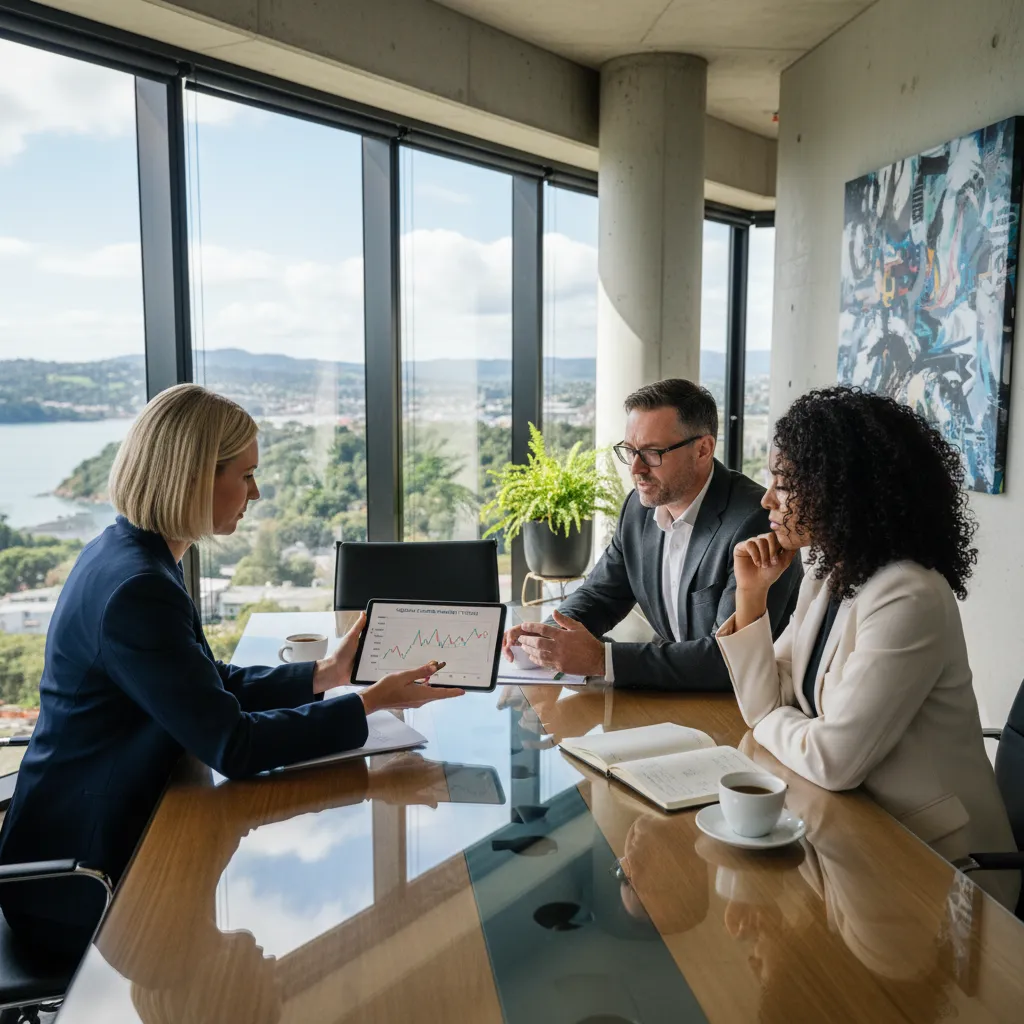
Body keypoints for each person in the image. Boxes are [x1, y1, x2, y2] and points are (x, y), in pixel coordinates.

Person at [0, 384, 463, 959]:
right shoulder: (138, 587)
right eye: (244, 476)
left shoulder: (130, 555)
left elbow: (205, 685)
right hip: (80, 878)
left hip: (102, 828)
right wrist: (367, 706)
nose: (257, 492)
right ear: (195, 477)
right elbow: (234, 745)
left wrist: (326, 673)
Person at [716, 386, 1019, 909]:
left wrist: (769, 715)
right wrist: (751, 596)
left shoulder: (909, 594)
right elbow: (774, 688)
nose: (767, 499)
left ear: (840, 490)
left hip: (942, 871)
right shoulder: (831, 570)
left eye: (783, 483)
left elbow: (833, 759)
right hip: (849, 827)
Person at [505, 379, 802, 689]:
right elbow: (601, 595)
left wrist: (602, 660)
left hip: (741, 708)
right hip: (674, 698)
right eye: (630, 451)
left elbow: (725, 660)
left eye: (651, 453)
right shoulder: (639, 508)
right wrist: (547, 635)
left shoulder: (755, 521)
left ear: (703, 449)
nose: (636, 468)